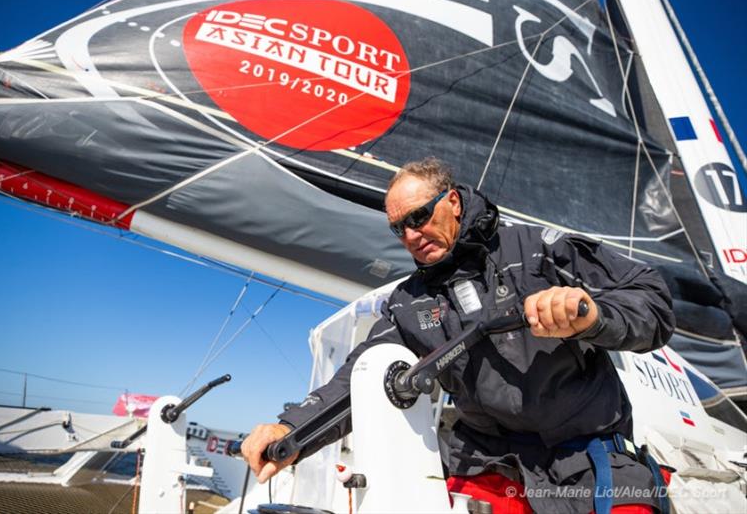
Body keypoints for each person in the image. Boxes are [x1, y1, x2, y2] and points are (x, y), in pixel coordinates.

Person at [242, 158, 675, 513]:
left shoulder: (539, 252)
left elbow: (651, 299)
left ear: (452, 201)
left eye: (419, 216)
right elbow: (362, 379)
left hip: (591, 464)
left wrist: (593, 317)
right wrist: (290, 430)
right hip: (489, 467)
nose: (411, 235)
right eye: (398, 228)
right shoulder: (408, 303)